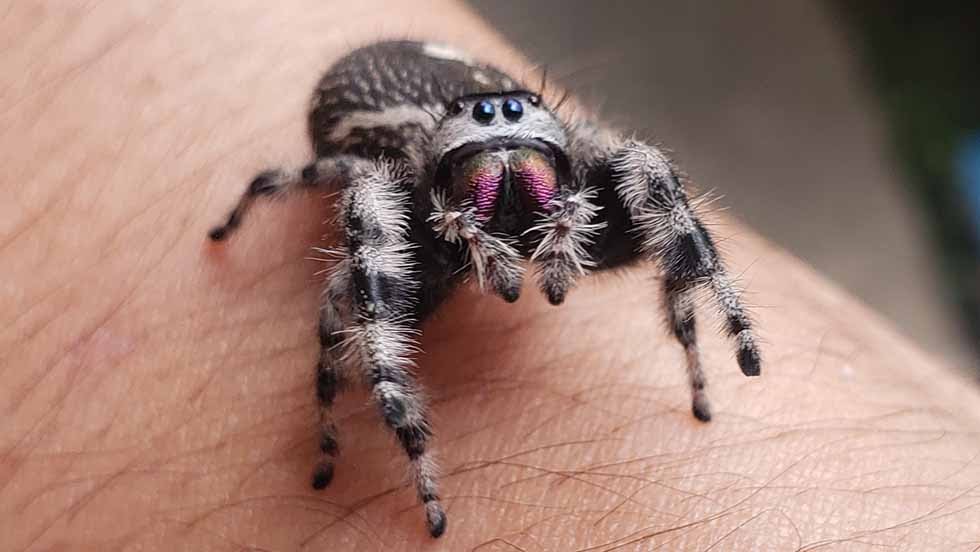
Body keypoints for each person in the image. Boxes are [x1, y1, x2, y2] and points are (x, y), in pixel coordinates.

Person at [3, 1, 979, 549]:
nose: (512, 214)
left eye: (540, 189)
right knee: (354, 293)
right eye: (490, 197)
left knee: (642, 168)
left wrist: (714, 325)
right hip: (382, 107)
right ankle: (391, 448)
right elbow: (328, 219)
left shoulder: (580, 175)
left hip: (480, 109)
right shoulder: (392, 195)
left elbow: (646, 181)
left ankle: (702, 336)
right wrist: (366, 438)